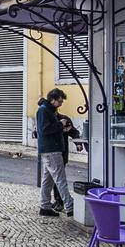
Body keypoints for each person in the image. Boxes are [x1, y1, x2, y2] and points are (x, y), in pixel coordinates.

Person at [36, 88, 73, 217]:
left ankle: (45, 206)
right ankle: (70, 206)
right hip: (52, 150)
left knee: (48, 180)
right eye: (60, 101)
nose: (61, 104)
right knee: (60, 179)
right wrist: (60, 124)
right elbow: (44, 130)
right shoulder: (44, 111)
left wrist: (62, 128)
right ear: (52, 100)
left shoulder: (48, 110)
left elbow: (48, 130)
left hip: (49, 148)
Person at [52, 113, 82, 212]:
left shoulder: (63, 119)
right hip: (50, 153)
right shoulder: (47, 118)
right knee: (52, 179)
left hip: (61, 153)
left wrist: (78, 143)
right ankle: (57, 200)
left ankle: (60, 201)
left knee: (58, 178)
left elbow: (74, 132)